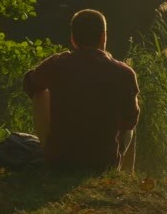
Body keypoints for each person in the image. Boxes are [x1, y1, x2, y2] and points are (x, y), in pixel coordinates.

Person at [23, 9, 140, 173]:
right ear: (103, 37)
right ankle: (124, 174)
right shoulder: (124, 73)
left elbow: (29, 83)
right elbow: (130, 121)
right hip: (103, 164)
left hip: (60, 161)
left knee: (40, 91)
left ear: (73, 38)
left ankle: (48, 152)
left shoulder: (56, 64)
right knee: (131, 116)